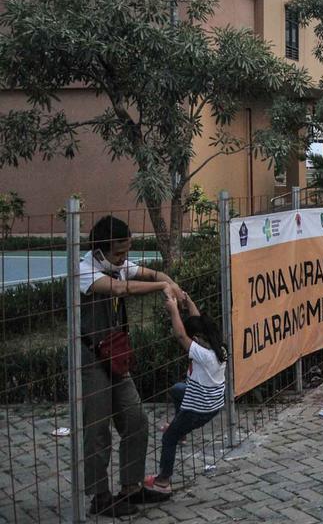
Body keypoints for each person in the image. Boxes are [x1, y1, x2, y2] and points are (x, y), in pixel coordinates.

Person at [78, 215, 183, 517]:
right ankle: (99, 496)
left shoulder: (117, 264)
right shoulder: (84, 271)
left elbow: (146, 272)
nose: (124, 259)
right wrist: (161, 286)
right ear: (100, 251)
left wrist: (166, 278)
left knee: (136, 420)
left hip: (115, 356)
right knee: (97, 429)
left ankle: (131, 487)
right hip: (91, 359)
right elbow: (119, 289)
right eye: (119, 253)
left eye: (127, 252)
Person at [144, 293, 225, 496]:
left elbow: (181, 335)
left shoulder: (203, 355)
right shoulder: (219, 349)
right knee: (178, 390)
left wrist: (173, 310)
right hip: (212, 404)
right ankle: (181, 432)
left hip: (197, 410)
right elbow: (198, 322)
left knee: (168, 438)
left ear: (196, 339)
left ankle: (163, 481)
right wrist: (189, 303)